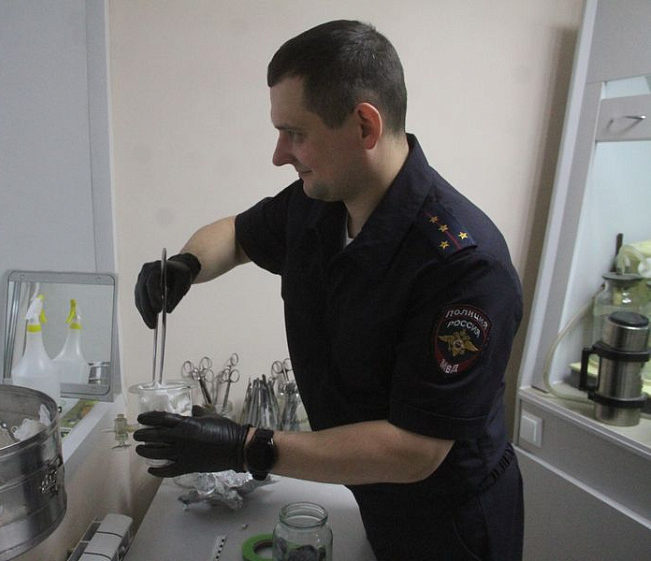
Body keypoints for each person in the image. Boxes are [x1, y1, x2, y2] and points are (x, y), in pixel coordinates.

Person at [133, 19, 524, 561]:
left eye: (295, 133)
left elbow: (415, 450)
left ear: (364, 126)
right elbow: (237, 236)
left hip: (447, 522)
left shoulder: (462, 266)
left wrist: (246, 447)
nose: (279, 154)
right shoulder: (319, 203)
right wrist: (186, 264)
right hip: (371, 493)